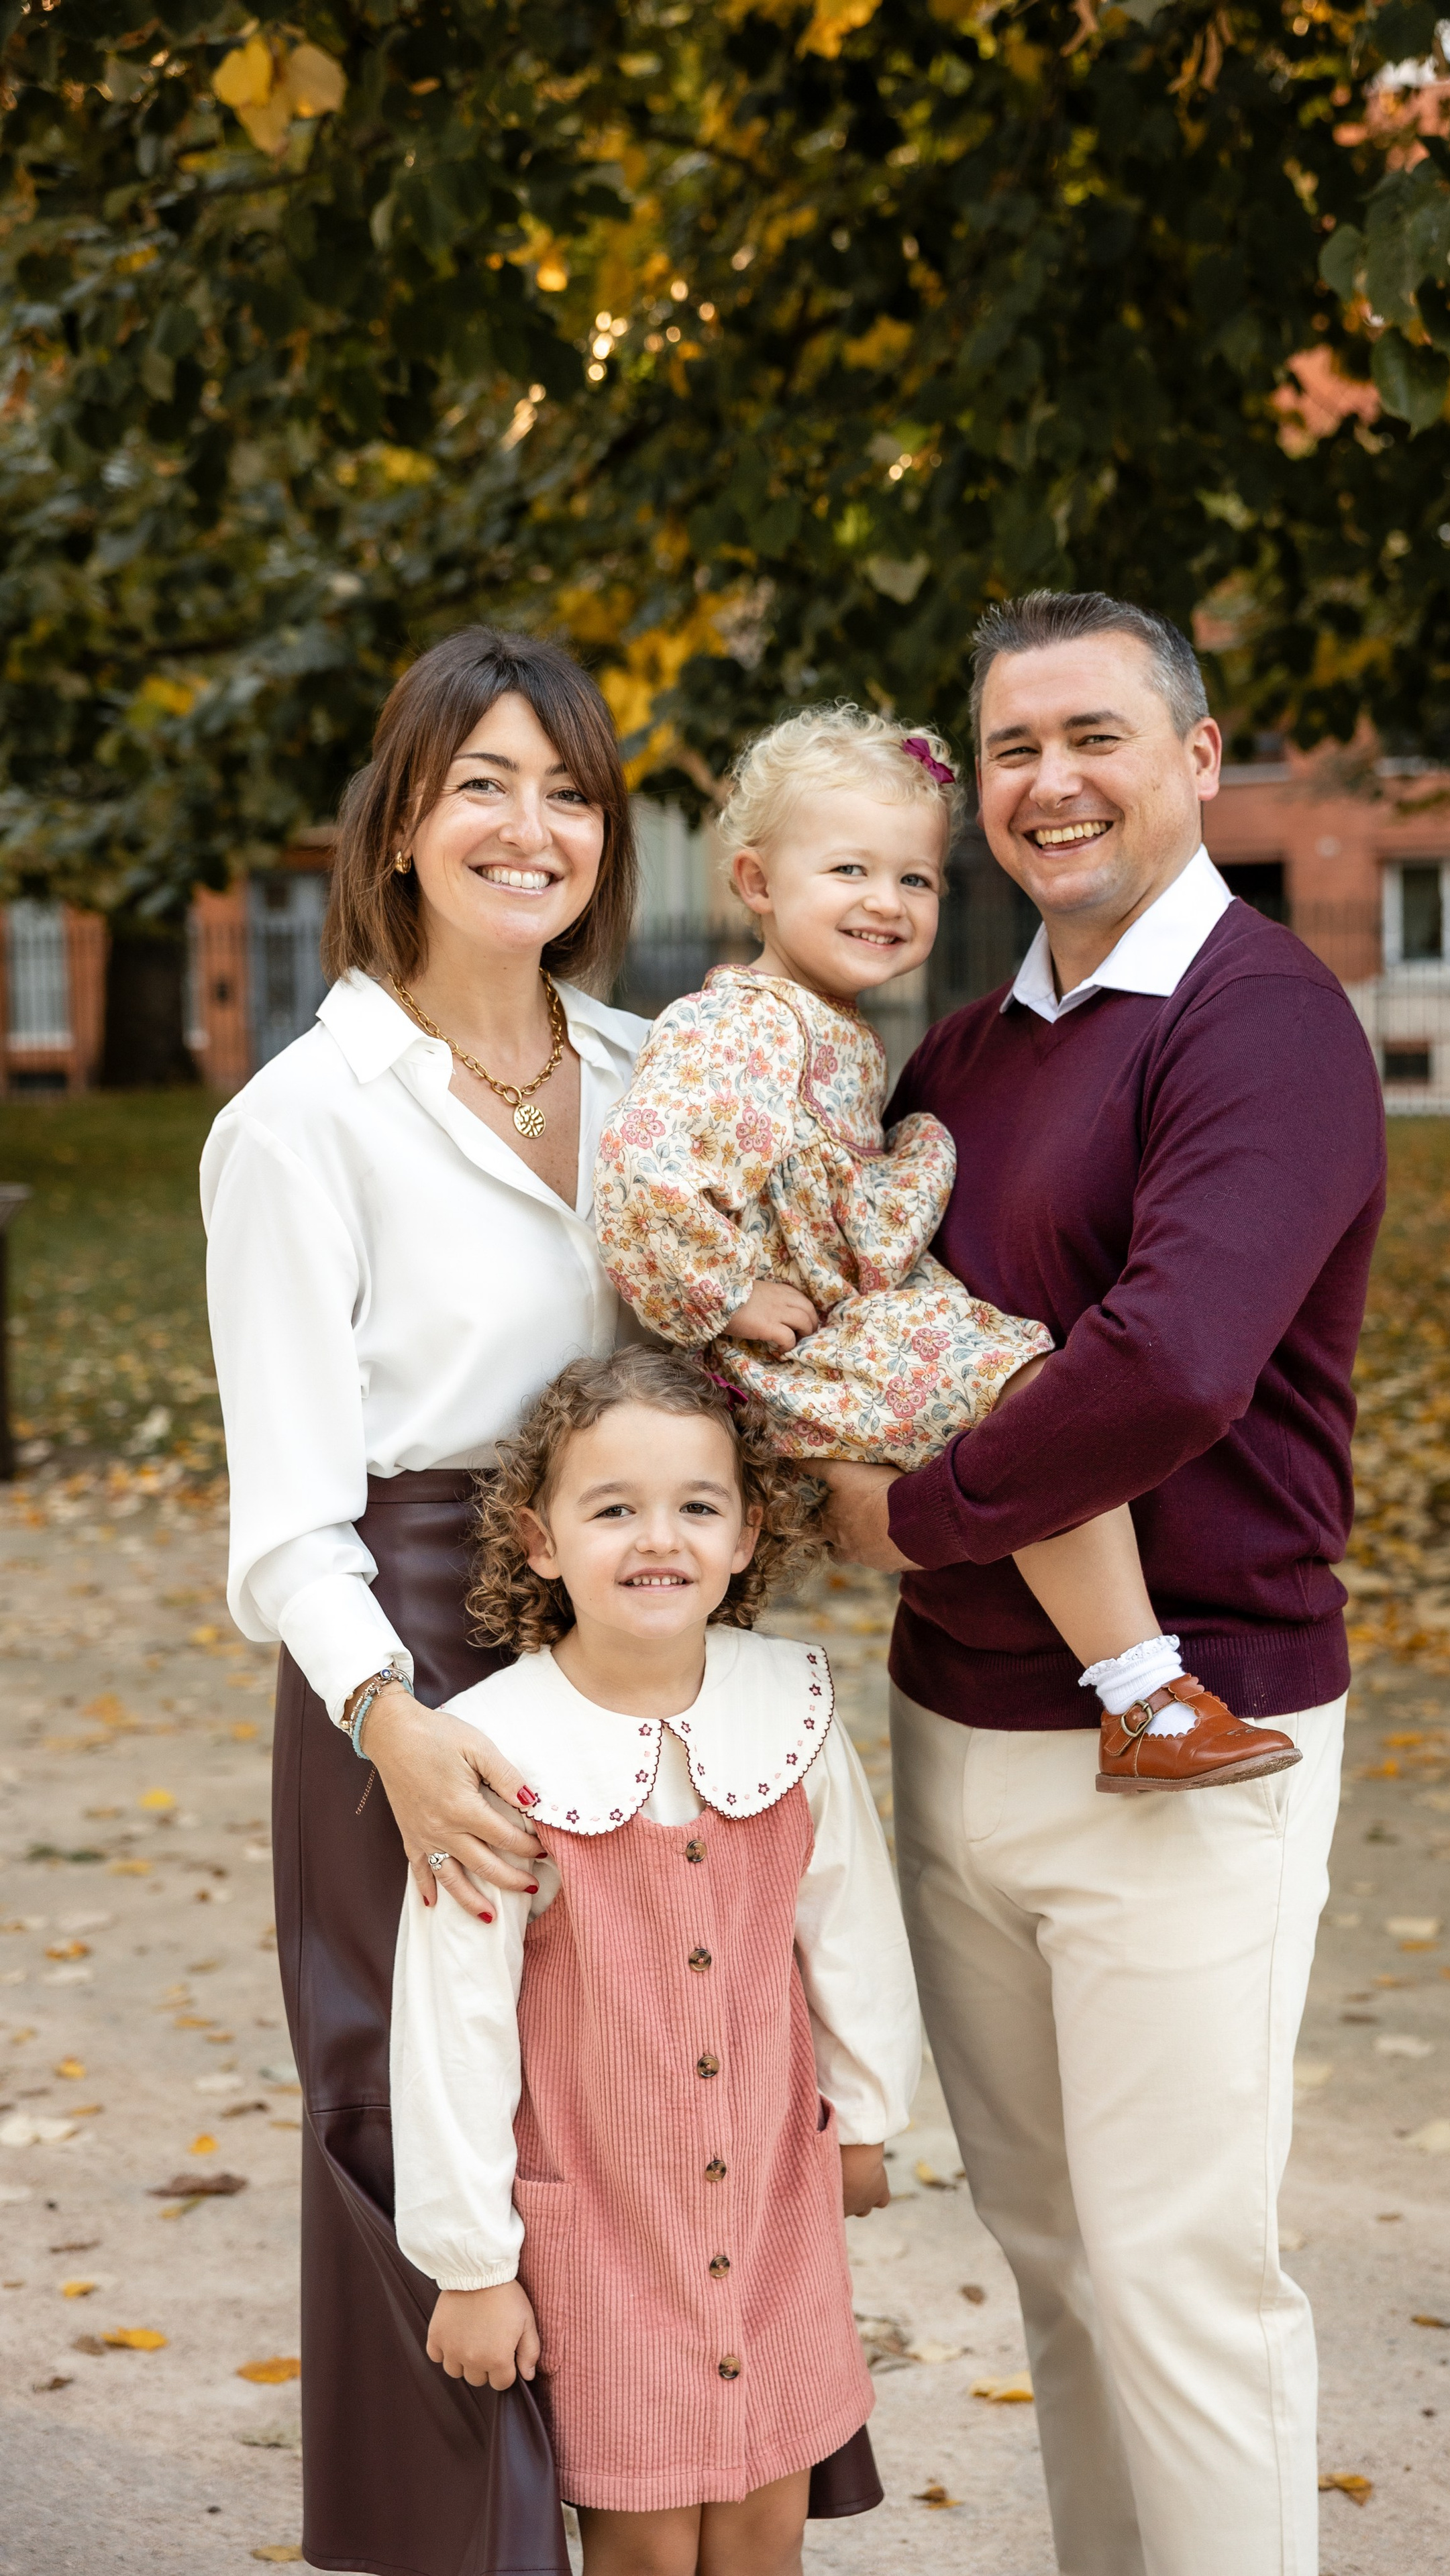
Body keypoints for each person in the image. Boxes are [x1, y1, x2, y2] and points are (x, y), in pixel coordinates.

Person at [819, 591, 1388, 2576]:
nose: (1050, 783)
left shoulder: (1270, 1024)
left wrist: (908, 1513)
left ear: (1203, 762)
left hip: (1192, 1733)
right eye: (1010, 751)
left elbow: (1171, 1363)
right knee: (1057, 2264)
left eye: (1097, 737)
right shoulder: (970, 1049)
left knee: (1180, 2280)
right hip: (958, 1728)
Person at [201, 628, 651, 2576]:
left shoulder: (654, 1079)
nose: (527, 825)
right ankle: (454, 2544)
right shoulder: (301, 1121)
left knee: (616, 2095)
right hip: (409, 1641)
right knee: (406, 2107)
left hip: (632, 1632)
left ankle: (649, 2516)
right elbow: (289, 1516)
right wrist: (397, 1720)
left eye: (567, 789)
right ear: (398, 826)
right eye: (483, 780)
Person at [595, 705, 1298, 1792]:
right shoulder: (744, 1026)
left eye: (915, 880)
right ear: (755, 883)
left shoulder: (827, 1028)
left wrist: (905, 1158)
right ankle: (1145, 1696)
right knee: (1036, 1398)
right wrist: (725, 1294)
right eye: (848, 871)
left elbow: (825, 1197)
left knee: (1034, 1407)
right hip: (794, 1349)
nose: (886, 903)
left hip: (835, 1333)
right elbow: (647, 1174)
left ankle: (1138, 1696)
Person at [391, 1346, 921, 2576]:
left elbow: (848, 1920)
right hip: (603, 2225)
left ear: (746, 1537)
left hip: (775, 2203)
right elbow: (451, 2021)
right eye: (612, 1507)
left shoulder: (788, 1706)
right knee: (639, 2539)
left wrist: (865, 2117)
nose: (656, 1538)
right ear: (539, 1538)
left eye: (697, 1505)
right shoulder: (495, 1748)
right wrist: (471, 2266)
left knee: (762, 2523)